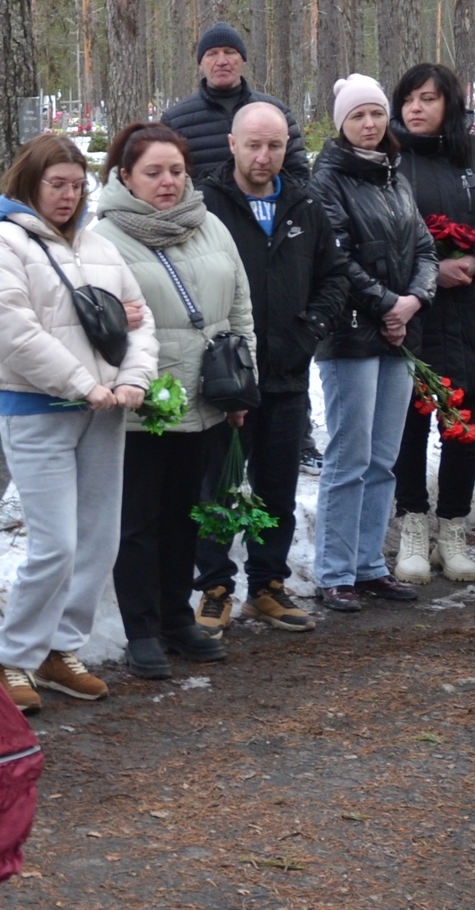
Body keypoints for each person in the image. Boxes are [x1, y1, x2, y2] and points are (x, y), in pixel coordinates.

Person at [0, 133, 155, 711]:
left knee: (98, 539)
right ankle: (11, 656)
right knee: (55, 544)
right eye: (56, 185)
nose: (68, 197)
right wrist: (81, 384)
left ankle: (58, 649)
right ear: (30, 183)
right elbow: (11, 330)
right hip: (37, 409)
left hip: (104, 411)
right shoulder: (0, 244)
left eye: (77, 185)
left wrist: (133, 381)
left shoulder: (97, 246)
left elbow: (139, 322)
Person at [95, 122, 256, 678]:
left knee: (183, 515)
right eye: (153, 173)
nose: (167, 183)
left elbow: (240, 307)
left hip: (206, 397)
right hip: (146, 405)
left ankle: (175, 617)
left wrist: (244, 381)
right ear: (125, 176)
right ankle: (140, 629)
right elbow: (92, 320)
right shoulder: (103, 239)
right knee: (138, 520)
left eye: (176, 171)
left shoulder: (209, 225)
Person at [192, 98, 342, 635]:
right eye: (253, 144)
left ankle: (268, 586)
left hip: (286, 373)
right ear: (232, 144)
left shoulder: (304, 205)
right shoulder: (205, 205)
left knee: (276, 486)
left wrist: (312, 329)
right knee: (221, 486)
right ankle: (213, 585)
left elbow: (334, 275)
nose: (263, 156)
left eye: (274, 145)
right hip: (228, 376)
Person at [388, 62, 475, 585]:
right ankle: (413, 528)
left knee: (461, 425)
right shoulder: (389, 159)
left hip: (472, 307)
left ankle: (453, 529)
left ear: (451, 104)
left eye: (428, 98)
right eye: (408, 100)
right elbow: (376, 230)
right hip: (413, 309)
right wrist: (428, 270)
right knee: (410, 422)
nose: (416, 109)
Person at [307, 75, 437, 614]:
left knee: (384, 457)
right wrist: (388, 303)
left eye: (376, 114)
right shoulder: (328, 178)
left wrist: (413, 300)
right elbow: (337, 257)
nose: (369, 124)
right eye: (358, 115)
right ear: (341, 123)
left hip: (398, 332)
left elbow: (425, 248)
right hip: (351, 334)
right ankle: (335, 571)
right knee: (350, 455)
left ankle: (368, 564)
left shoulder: (394, 178)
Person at [159, 23, 302, 180]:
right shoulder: (176, 121)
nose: (221, 61)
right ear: (201, 63)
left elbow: (298, 174)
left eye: (229, 52)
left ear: (243, 60)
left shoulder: (275, 112)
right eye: (212, 54)